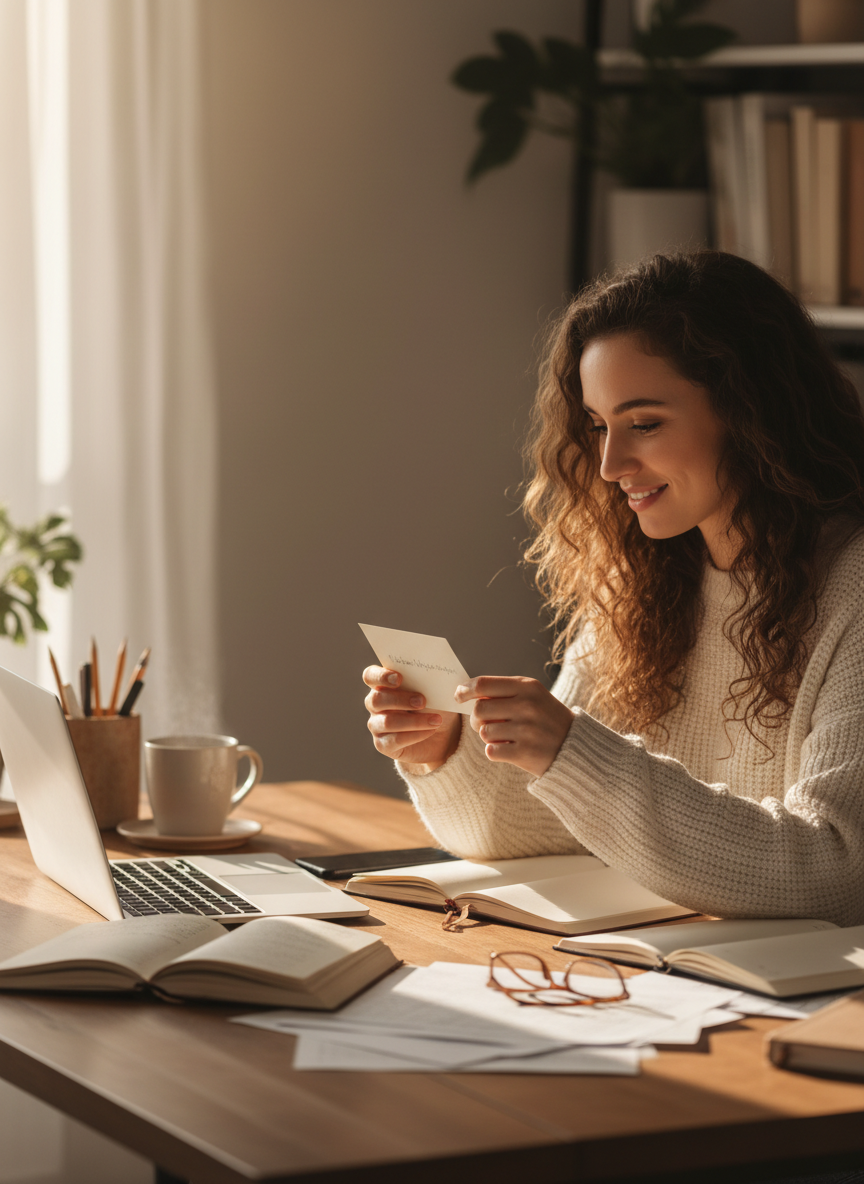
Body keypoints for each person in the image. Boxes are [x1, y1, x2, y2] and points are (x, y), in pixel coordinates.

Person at [363, 250, 864, 927]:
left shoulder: (852, 590)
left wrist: (573, 750)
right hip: (673, 975)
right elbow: (556, 820)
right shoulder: (645, 586)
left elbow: (836, 870)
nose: (608, 464)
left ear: (753, 412)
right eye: (598, 426)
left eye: (645, 423)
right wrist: (445, 749)